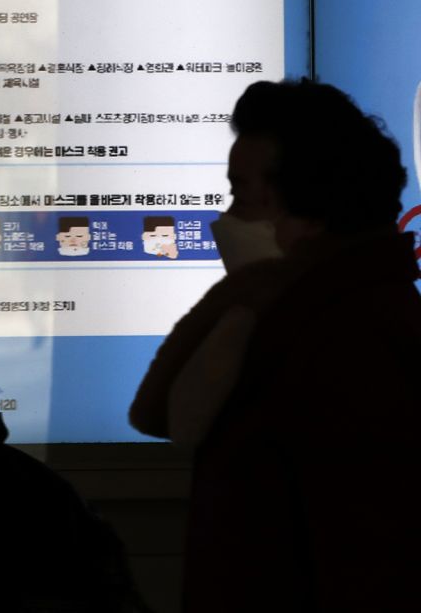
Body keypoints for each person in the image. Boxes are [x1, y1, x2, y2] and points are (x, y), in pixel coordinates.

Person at [129, 79, 421, 611]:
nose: (226, 218)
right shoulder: (298, 319)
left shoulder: (349, 341)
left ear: (305, 216)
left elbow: (367, 560)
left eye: (240, 193)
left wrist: (244, 291)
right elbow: (164, 414)